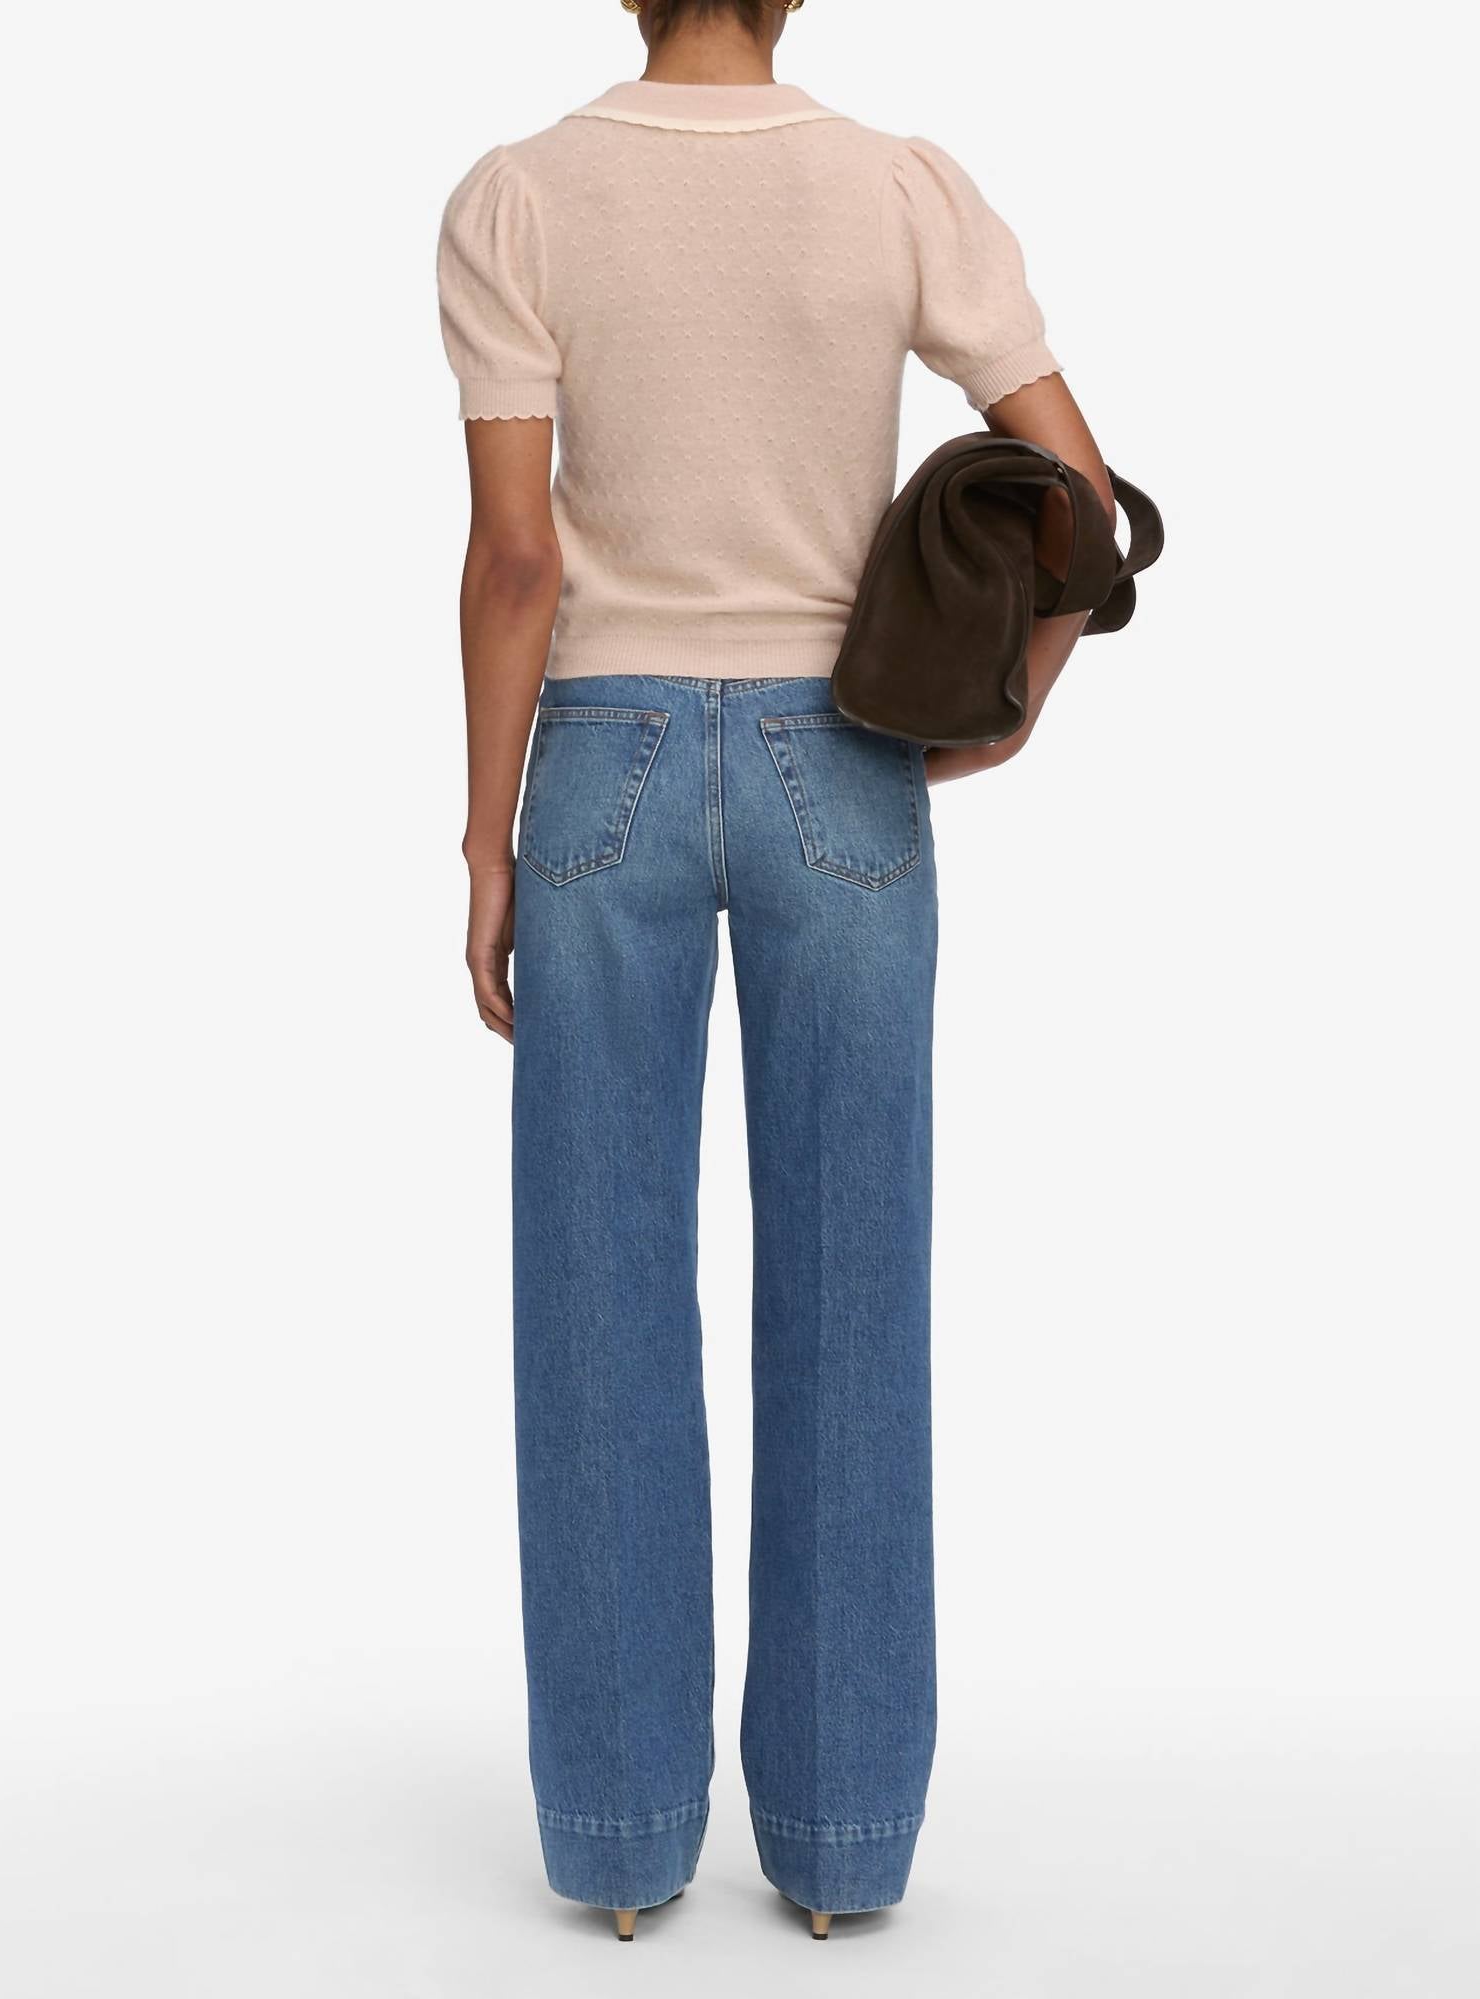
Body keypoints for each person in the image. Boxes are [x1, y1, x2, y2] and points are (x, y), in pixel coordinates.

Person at [435, 0, 1114, 1943]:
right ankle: (838, 1848)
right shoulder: (898, 190)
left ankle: (623, 1843)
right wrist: (1014, 703)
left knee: (598, 1300)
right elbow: (1080, 496)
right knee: (853, 1291)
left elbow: (516, 561)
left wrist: (486, 839)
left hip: (604, 767)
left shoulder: (519, 199)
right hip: (849, 763)